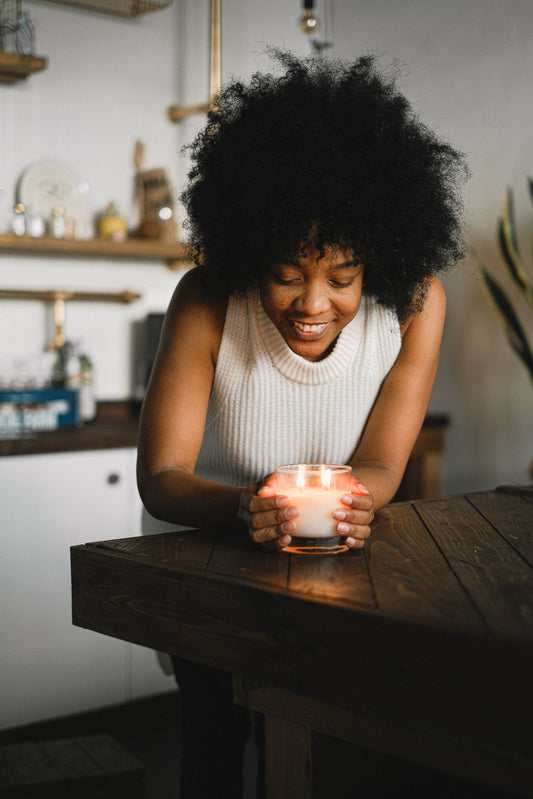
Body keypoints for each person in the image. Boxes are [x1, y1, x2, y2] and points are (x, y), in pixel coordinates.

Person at [137, 50, 467, 798]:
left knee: (321, 747)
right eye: (287, 273)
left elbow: (382, 464)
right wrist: (246, 506)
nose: (313, 303)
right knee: (213, 748)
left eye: (343, 277)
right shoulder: (207, 298)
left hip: (326, 571)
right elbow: (160, 479)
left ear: (377, 261)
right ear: (251, 249)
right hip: (204, 569)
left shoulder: (415, 303)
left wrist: (358, 504)